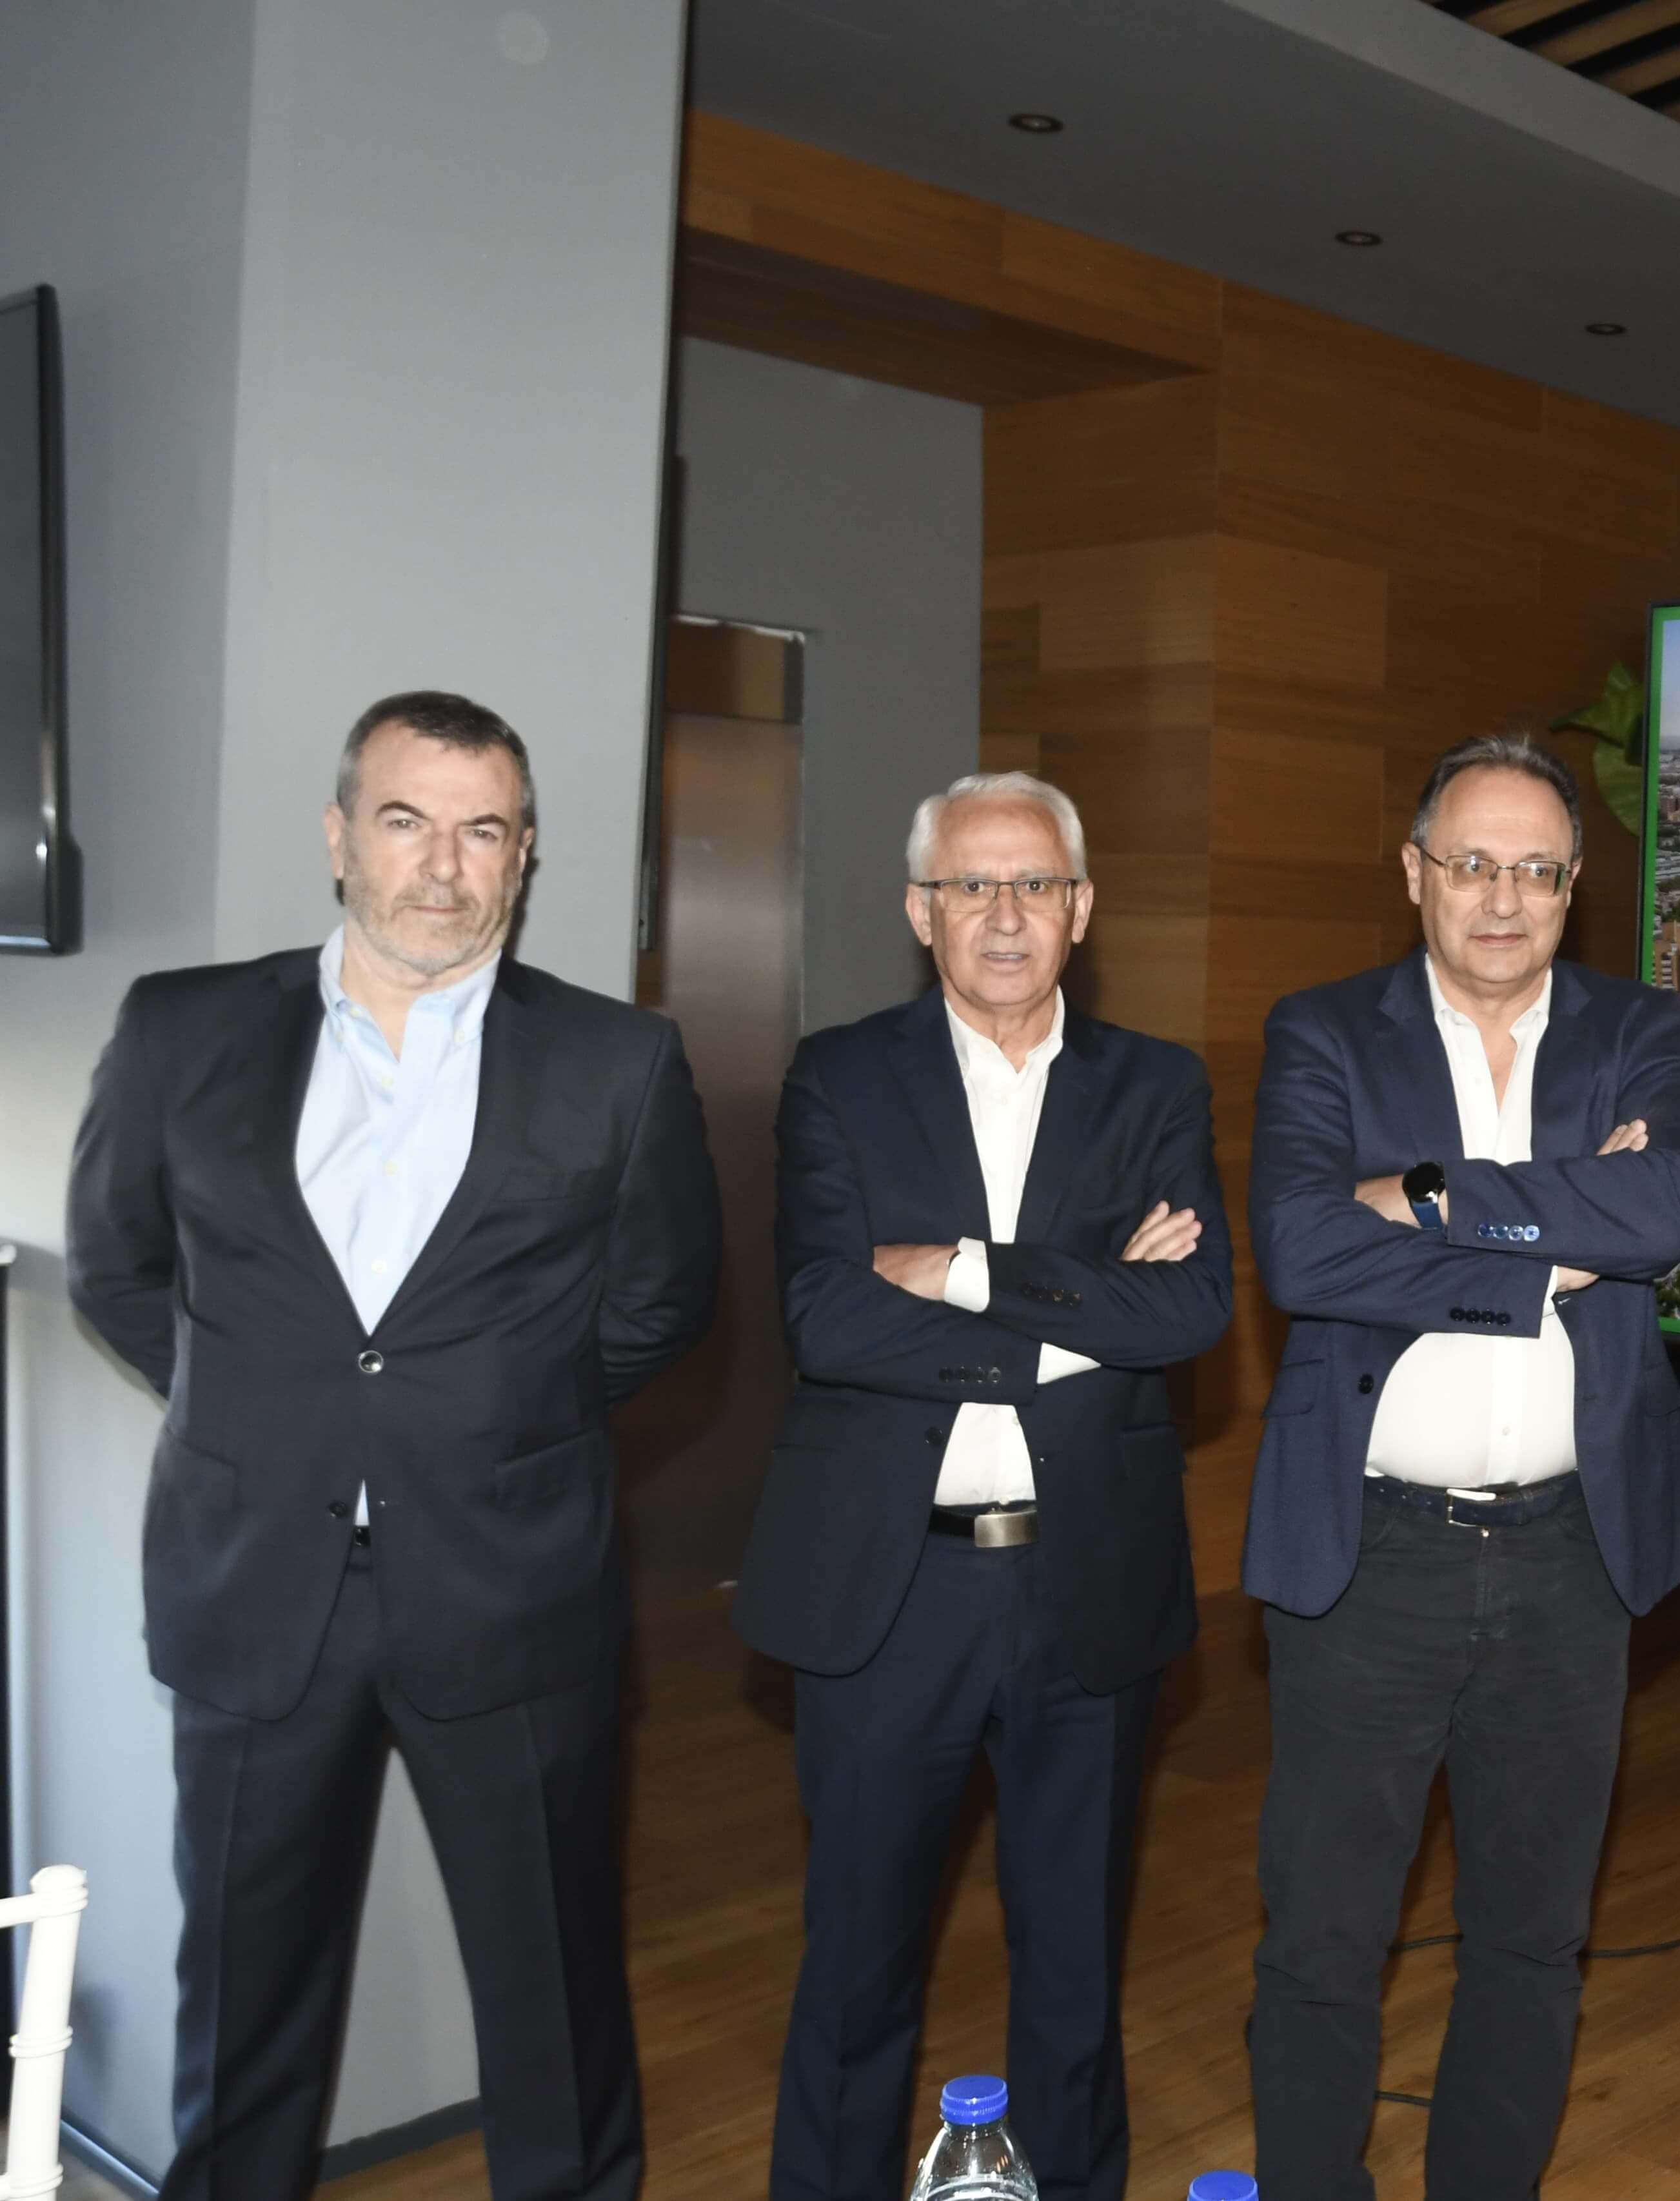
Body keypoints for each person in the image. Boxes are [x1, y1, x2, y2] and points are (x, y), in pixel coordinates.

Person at [66, 691, 720, 2201]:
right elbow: (116, 1267)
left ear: (524, 856)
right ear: (340, 837)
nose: (443, 865)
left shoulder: (618, 1061)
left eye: (483, 831)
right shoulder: (181, 1028)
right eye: (407, 821)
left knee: (553, 2000)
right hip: (254, 1588)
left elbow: (661, 1305)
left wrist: (494, 1424)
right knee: (242, 2006)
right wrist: (266, 1418)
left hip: (513, 1589)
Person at [734, 770, 1232, 2201]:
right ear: (920, 910)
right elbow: (827, 1318)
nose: (1005, 915)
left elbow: (1190, 1309)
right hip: (890, 1591)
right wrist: (1076, 1319)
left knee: (1073, 1964)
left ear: (1082, 907)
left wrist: (954, 1270)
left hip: (1089, 1581)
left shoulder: (1155, 1084)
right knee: (857, 1965)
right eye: (972, 886)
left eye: (1035, 885)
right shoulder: (839, 1076)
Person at [1243, 731, 1680, 2201]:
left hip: (1574, 1553)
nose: (1503, 900)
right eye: (1472, 865)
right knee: (1324, 1937)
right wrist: (1545, 1250)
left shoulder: (1637, 1026)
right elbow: (1303, 1250)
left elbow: (1660, 1214)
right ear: (1414, 874)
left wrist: (1423, 1194)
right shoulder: (1325, 1031)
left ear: (1571, 889)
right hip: (1369, 1555)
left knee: (1532, 1936)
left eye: (1537, 871)